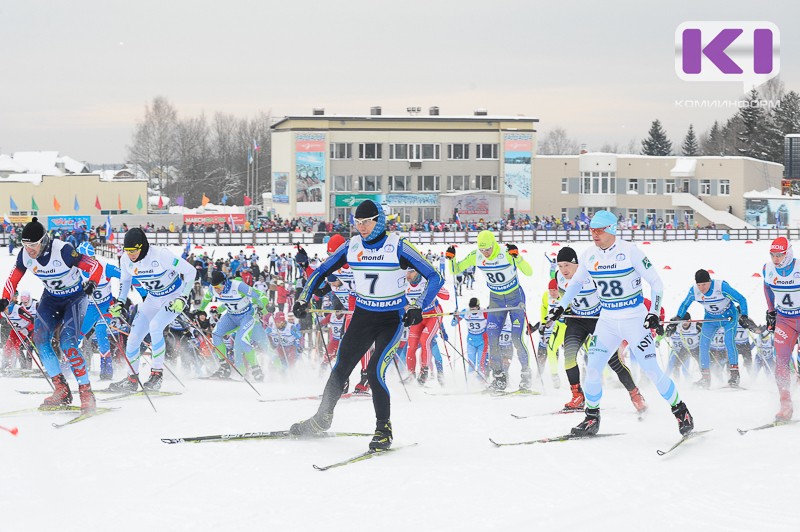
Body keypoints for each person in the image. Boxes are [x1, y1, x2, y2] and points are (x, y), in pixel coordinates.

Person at [290, 199, 443, 451]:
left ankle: (383, 429)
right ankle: (321, 419)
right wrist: (304, 297)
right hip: (363, 316)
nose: (362, 227)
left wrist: (419, 306)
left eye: (367, 222)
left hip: (390, 319)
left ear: (378, 220)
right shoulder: (352, 246)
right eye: (357, 222)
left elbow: (434, 276)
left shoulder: (398, 246)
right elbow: (320, 271)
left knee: (374, 371)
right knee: (341, 368)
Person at [549, 210, 694, 436]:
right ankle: (591, 418)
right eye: (591, 230)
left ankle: (681, 411)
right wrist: (560, 306)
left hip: (634, 319)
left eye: (598, 230)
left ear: (611, 230)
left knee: (652, 370)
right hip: (607, 320)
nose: (594, 234)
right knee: (594, 368)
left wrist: (653, 312)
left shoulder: (630, 251)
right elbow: (575, 284)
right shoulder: (589, 255)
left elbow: (656, 283)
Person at [0, 217, 103, 412]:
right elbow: (12, 279)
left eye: (33, 245)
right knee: (40, 339)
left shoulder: (63, 250)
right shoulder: (25, 255)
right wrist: (5, 298)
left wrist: (92, 283)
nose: (29, 249)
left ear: (44, 241)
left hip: (75, 298)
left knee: (67, 343)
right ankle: (61, 389)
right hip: (51, 299)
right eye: (25, 245)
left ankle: (86, 391)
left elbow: (95, 266)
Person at [554, 246, 647, 413]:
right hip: (577, 321)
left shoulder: (591, 275)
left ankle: (635, 393)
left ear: (576, 264)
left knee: (613, 361)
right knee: (569, 356)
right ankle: (577, 396)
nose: (563, 270)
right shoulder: (559, 278)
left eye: (566, 265)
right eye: (560, 266)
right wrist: (565, 311)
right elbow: (564, 299)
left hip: (598, 320)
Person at [109, 228, 197, 392]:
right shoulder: (126, 260)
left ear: (142, 247)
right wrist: (120, 301)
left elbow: (191, 271)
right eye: (127, 251)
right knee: (134, 337)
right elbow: (125, 281)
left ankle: (156, 376)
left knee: (156, 326)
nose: (130, 255)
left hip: (173, 298)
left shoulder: (161, 255)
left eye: (133, 250)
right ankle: (131, 379)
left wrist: (183, 297)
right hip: (153, 298)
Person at [447, 230, 533, 391]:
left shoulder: (505, 252)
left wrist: (517, 257)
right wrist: (451, 259)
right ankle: (499, 377)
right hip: (496, 299)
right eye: (482, 250)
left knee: (516, 338)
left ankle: (526, 374)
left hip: (515, 297)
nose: (485, 253)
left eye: (488, 249)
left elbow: (529, 272)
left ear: (494, 244)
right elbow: (455, 270)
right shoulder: (476, 255)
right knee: (492, 337)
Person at [668, 269, 752, 388]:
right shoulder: (695, 291)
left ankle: (734, 374)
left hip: (729, 317)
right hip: (711, 319)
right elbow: (685, 304)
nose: (701, 288)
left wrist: (744, 315)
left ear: (710, 281)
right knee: (703, 344)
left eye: (704, 284)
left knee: (729, 341)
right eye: (699, 285)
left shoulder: (721, 287)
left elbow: (741, 299)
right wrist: (678, 317)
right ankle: (705, 378)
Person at [201, 270, 269, 381]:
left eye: (218, 287)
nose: (216, 290)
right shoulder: (212, 289)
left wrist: (263, 306)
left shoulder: (238, 286)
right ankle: (224, 366)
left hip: (246, 316)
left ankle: (256, 369)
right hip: (231, 316)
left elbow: (260, 295)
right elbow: (206, 299)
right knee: (216, 334)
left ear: (225, 282)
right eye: (214, 287)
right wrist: (200, 310)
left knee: (243, 340)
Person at [762, 236, 800, 421]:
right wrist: (771, 311)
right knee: (781, 361)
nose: (775, 259)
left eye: (779, 255)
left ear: (788, 253)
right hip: (785, 319)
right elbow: (767, 287)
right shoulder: (768, 269)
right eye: (773, 255)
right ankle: (785, 405)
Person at [77, 242, 120, 381]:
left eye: (90, 258)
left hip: (105, 306)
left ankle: (107, 370)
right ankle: (67, 368)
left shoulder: (105, 267)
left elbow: (126, 276)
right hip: (89, 308)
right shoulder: (75, 270)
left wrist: (122, 300)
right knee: (76, 335)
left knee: (101, 331)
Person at [404, 267, 449, 385]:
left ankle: (424, 372)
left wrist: (436, 285)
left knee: (425, 341)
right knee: (411, 346)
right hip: (418, 317)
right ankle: (411, 374)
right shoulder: (403, 284)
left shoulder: (426, 281)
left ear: (418, 272)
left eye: (412, 272)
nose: (408, 275)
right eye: (407, 272)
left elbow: (447, 296)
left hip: (434, 315)